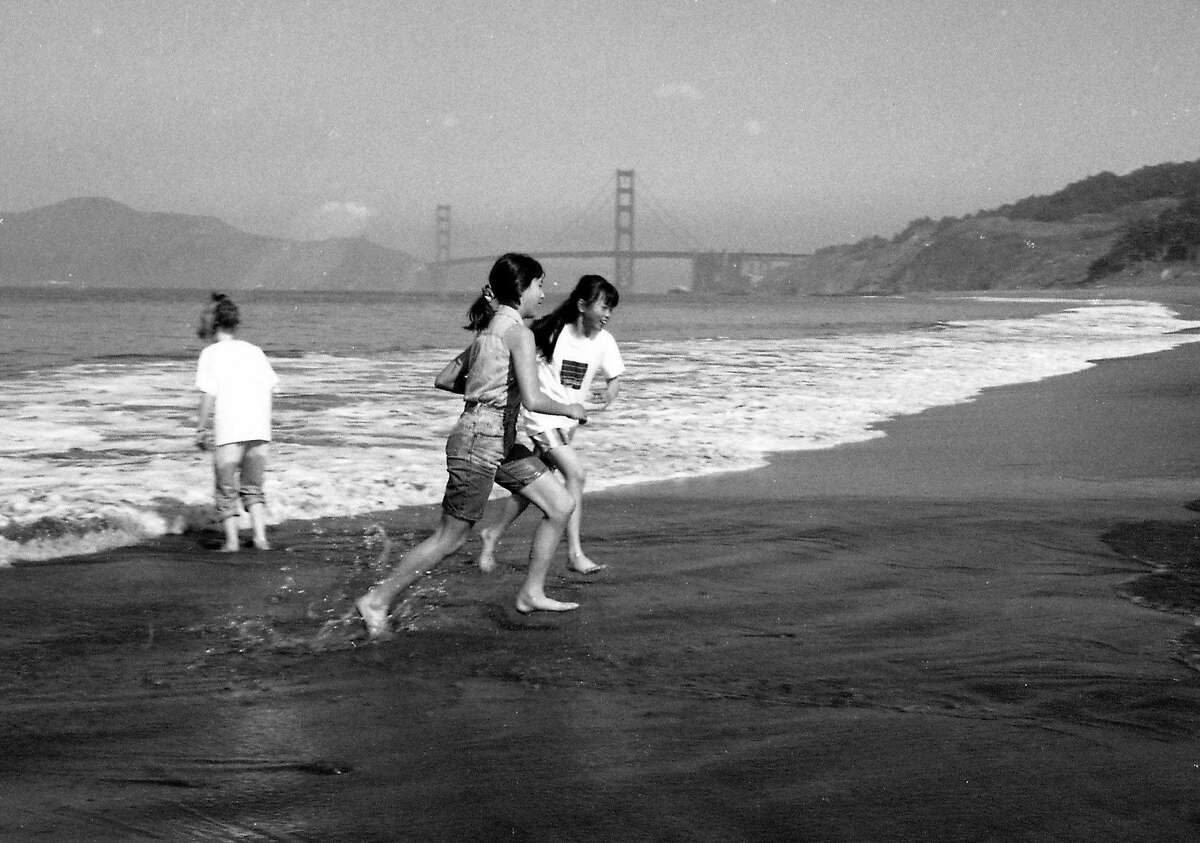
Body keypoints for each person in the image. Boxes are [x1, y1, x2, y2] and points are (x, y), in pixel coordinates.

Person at [355, 253, 589, 639]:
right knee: (451, 537)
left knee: (561, 504)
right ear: (520, 288)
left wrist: (486, 390)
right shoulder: (519, 334)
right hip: (481, 442)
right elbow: (532, 399)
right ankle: (377, 600)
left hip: (498, 440)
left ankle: (531, 592)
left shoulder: (486, 334)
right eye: (539, 285)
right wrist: (570, 408)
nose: (544, 295)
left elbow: (445, 379)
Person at [477, 274, 624, 575]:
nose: (607, 314)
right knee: (576, 475)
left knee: (531, 487)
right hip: (540, 419)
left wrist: (609, 392)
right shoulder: (552, 330)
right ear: (582, 305)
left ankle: (492, 534)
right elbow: (513, 342)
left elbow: (614, 378)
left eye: (611, 309)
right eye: (603, 307)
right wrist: (493, 308)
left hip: (566, 425)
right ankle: (574, 552)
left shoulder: (605, 342)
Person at [194, 292, 279, 552]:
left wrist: (201, 427)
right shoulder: (254, 351)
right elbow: (270, 388)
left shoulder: (210, 353)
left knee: (226, 490)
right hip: (259, 429)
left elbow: (209, 394)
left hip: (230, 430)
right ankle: (260, 538)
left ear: (214, 324)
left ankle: (232, 542)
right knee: (253, 489)